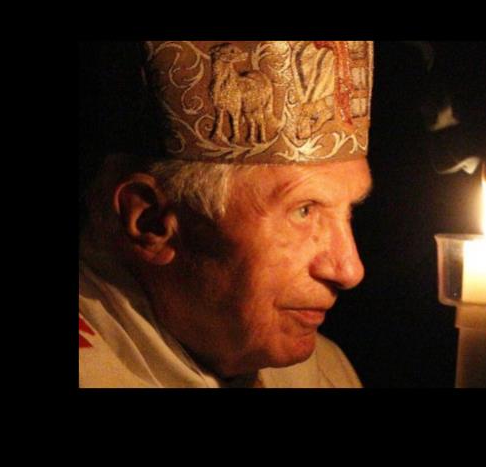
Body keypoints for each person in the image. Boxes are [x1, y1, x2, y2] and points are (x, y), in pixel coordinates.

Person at [79, 41, 374, 387]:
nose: (350, 270)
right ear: (152, 221)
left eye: (349, 211)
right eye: (304, 211)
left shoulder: (326, 372)